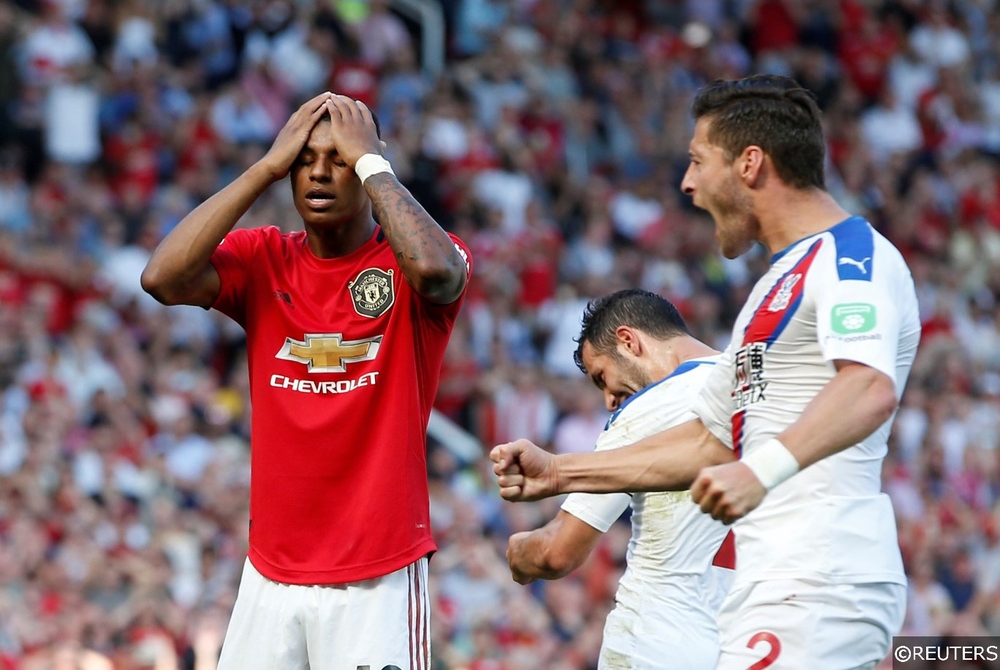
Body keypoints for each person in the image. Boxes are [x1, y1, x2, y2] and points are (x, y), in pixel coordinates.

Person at [492, 74, 921, 669]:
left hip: (819, 579)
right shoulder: (772, 291)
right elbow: (706, 443)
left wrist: (759, 470)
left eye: (698, 161)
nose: (687, 183)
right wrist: (561, 471)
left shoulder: (852, 259)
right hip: (762, 592)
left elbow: (868, 387)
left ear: (750, 163)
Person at [141, 92, 471, 670]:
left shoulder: (417, 259)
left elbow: (440, 275)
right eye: (303, 159)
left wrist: (372, 165)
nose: (318, 172)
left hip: (378, 572)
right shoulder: (262, 258)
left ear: (371, 164)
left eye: (338, 158)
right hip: (270, 572)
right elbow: (162, 278)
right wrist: (266, 166)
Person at [505, 288, 735, 669]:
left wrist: (517, 551)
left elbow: (555, 552)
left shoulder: (649, 407)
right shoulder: (757, 387)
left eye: (602, 377)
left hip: (657, 642)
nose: (609, 400)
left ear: (629, 341)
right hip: (752, 644)